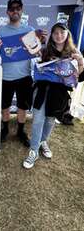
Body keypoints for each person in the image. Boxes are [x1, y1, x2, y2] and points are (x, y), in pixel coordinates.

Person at [23, 23, 84, 169]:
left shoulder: (73, 52)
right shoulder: (45, 50)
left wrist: (81, 62)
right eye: (55, 33)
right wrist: (34, 41)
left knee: (50, 120)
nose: (59, 35)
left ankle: (43, 141)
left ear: (67, 34)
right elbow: (31, 51)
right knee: (38, 119)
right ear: (52, 35)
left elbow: (79, 77)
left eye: (62, 32)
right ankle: (33, 150)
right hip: (42, 90)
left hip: (59, 93)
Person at [0, 0, 46, 146]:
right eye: (12, 8)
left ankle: (21, 131)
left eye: (18, 8)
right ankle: (5, 129)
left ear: (21, 10)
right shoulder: (1, 32)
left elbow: (36, 51)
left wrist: (41, 43)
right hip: (6, 76)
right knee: (5, 106)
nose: (15, 11)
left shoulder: (29, 30)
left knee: (23, 106)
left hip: (25, 76)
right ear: (7, 12)